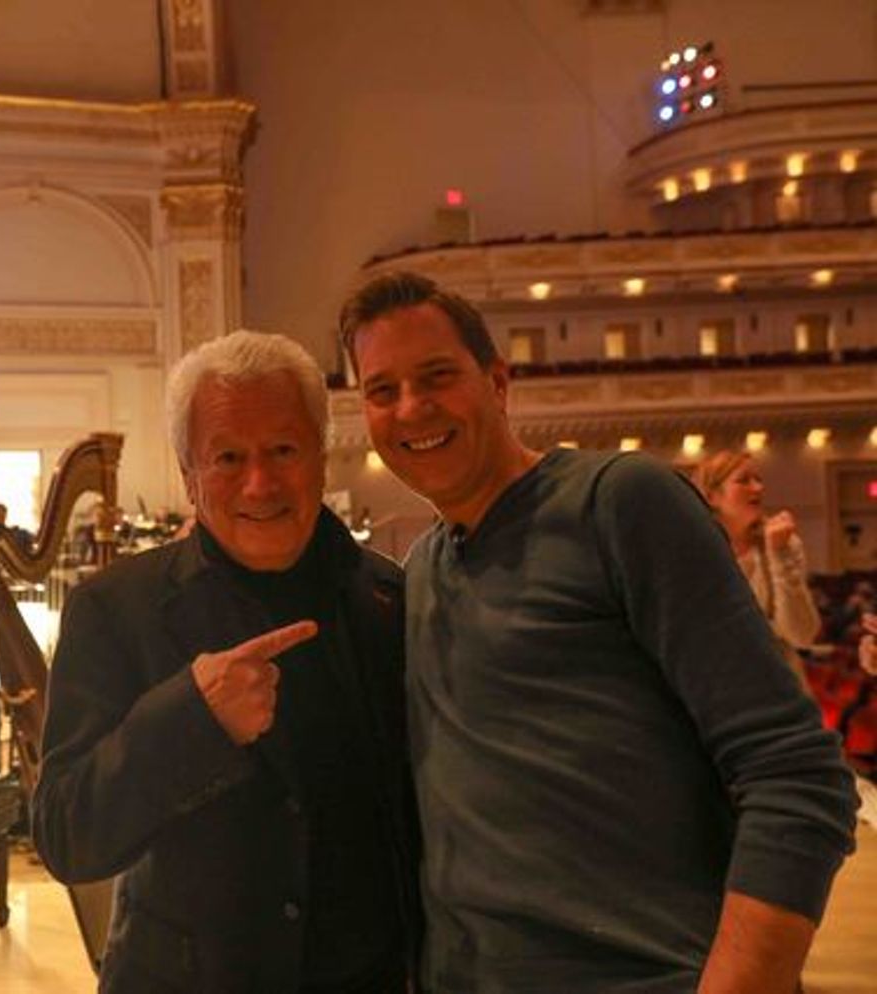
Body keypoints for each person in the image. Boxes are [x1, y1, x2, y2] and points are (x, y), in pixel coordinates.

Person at [340, 269, 857, 993]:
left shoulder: (618, 503)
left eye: (436, 376)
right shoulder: (422, 567)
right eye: (381, 390)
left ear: (497, 381)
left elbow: (797, 775)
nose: (411, 408)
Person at [33, 331, 416, 992]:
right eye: (228, 457)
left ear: (321, 456)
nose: (260, 482)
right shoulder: (115, 608)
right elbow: (68, 834)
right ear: (189, 475)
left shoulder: (390, 600)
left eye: (284, 450)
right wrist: (191, 721)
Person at [694, 450, 821, 688]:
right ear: (712, 497)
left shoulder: (782, 541)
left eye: (758, 479)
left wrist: (780, 555)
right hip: (718, 691)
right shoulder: (696, 553)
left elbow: (803, 635)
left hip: (779, 688)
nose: (758, 488)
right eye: (744, 481)